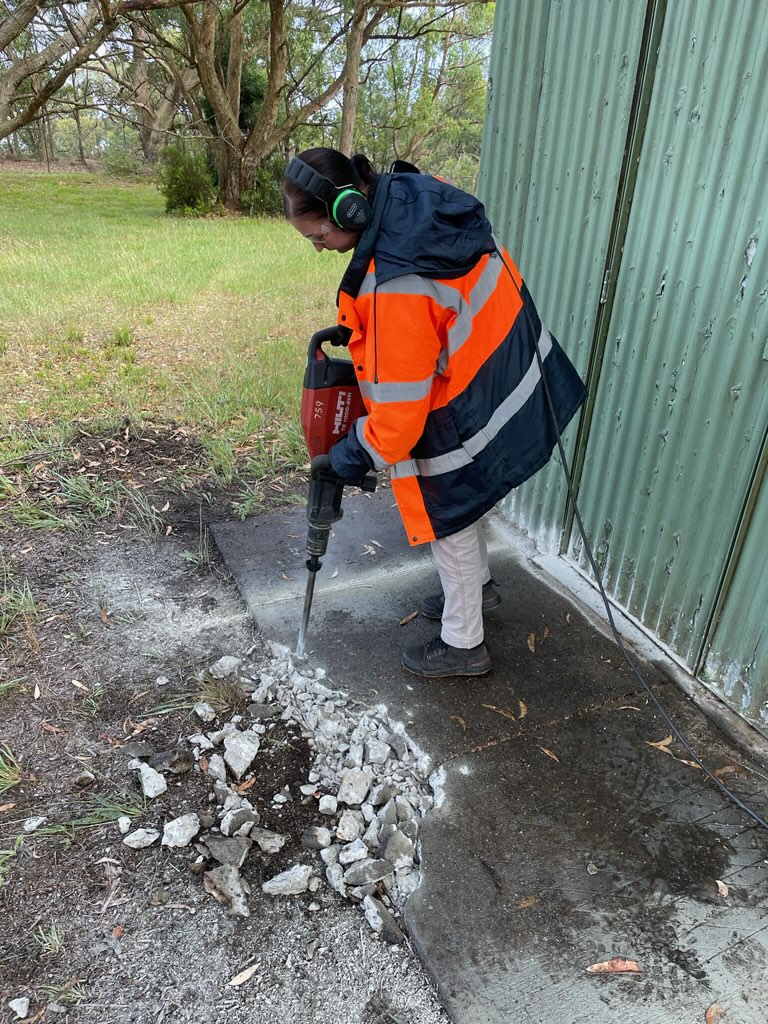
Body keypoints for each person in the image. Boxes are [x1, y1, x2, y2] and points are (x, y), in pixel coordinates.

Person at [283, 148, 586, 679]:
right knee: (464, 494)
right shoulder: (412, 196)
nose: (318, 248)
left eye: (318, 236)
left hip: (472, 388)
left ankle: (464, 644)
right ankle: (479, 588)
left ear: (349, 209)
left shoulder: (394, 284)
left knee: (446, 501)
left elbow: (396, 427)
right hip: (509, 359)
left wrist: (347, 456)